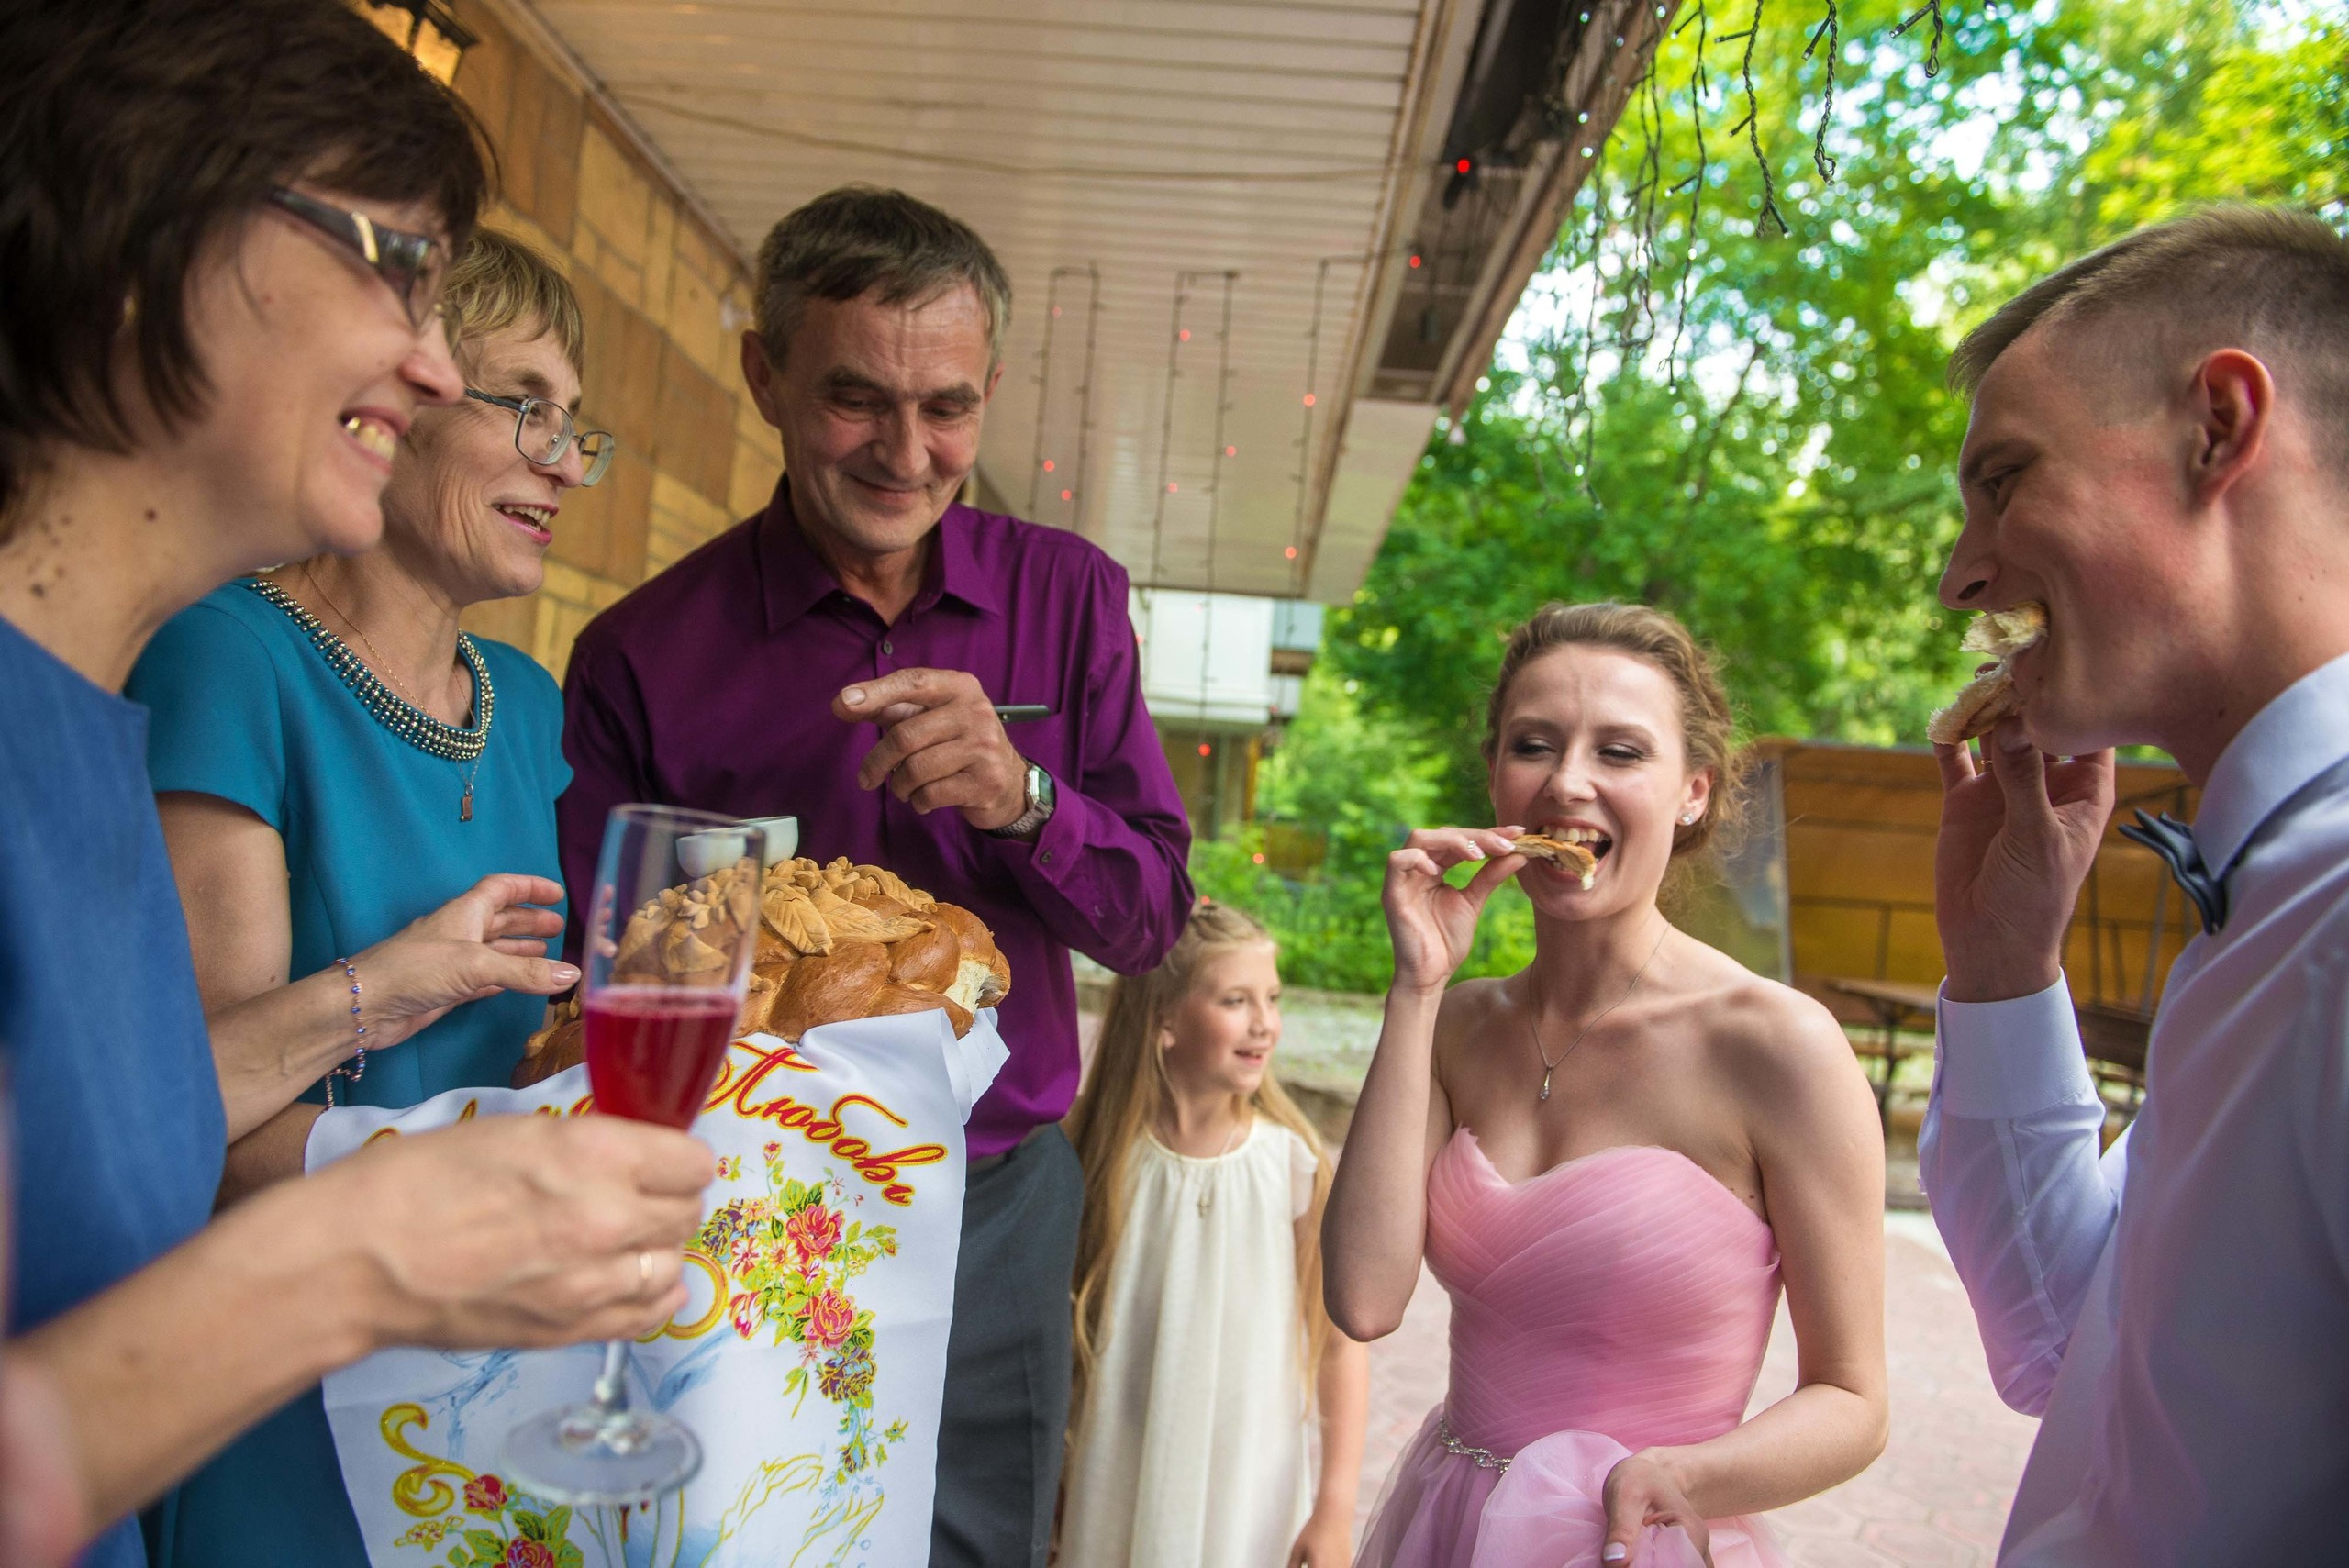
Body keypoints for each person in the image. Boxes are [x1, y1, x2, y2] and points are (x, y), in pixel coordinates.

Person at [0, 6, 710, 1562]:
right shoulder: (178, 688)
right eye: (388, 260)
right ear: (140, 252)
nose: (430, 354)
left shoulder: (78, 733)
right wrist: (357, 1254)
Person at [556, 184, 1193, 1565]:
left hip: (997, 1198)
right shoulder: (639, 654)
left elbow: (1152, 922)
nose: (909, 452)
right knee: (737, 1540)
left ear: (991, 391)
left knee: (976, 1545)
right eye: (857, 400)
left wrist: (1031, 804)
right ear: (765, 375)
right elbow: (610, 993)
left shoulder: (1071, 595)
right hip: (748, 1202)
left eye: (949, 406)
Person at [126, 228, 607, 1567]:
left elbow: (526, 1054)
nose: (564, 462)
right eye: (526, 409)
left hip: (489, 1377)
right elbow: (198, 1134)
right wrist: (508, 1195)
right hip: (291, 1374)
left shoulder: (530, 714)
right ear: (401, 402)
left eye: (578, 428)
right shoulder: (228, 656)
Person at [1918, 206, 2349, 1562]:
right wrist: (2002, 968)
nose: (1959, 576)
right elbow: (2068, 1347)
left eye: (2005, 478)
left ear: (2218, 427)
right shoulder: (2267, 893)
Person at [1325, 603, 1887, 1567]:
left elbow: (1854, 1398)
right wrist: (1415, 986)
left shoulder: (1776, 1046)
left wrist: (1687, 1476)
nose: (1567, 781)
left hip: (1640, 1537)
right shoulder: (1457, 1024)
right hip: (1448, 1524)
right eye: (1533, 743)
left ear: (1692, 793)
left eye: (1621, 751)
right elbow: (1364, 1301)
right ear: (1497, 772)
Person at [1059, 899, 1368, 1568]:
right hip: (1117, 1470)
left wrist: (1335, 1507)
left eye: (1273, 998)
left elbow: (1341, 1347)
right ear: (1164, 1015)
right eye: (1236, 999)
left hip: (1247, 1488)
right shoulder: (1097, 1153)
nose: (1265, 1023)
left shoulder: (1293, 1163)